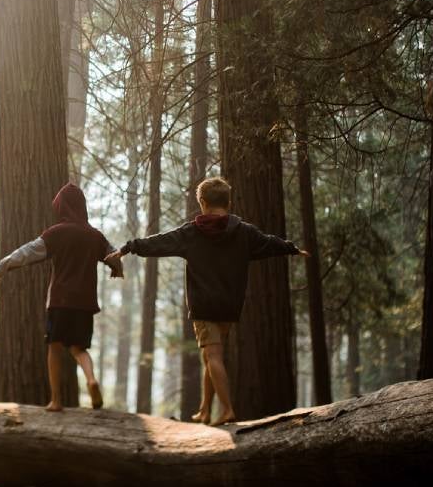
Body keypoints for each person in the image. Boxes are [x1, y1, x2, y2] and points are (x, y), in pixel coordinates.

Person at [106, 176, 306, 426]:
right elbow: (268, 243)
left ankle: (227, 410)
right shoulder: (244, 232)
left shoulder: (191, 233)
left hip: (204, 306)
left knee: (213, 356)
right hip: (229, 306)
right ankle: (204, 410)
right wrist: (291, 248)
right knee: (211, 356)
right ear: (229, 202)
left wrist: (127, 248)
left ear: (202, 202)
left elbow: (157, 242)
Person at [0, 183, 123, 411]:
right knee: (79, 349)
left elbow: (28, 251)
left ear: (63, 208)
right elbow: (113, 253)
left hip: (60, 300)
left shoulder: (57, 233)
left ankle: (56, 400)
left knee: (55, 347)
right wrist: (116, 268)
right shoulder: (94, 236)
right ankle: (91, 379)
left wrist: (4, 265)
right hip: (85, 303)